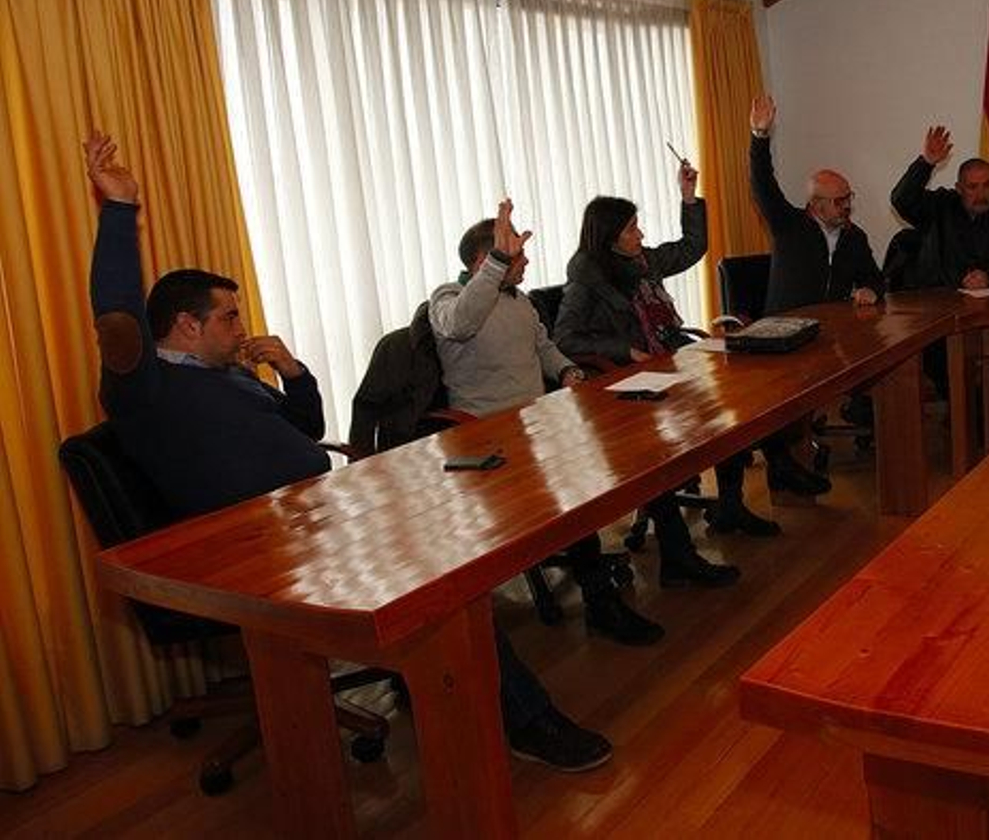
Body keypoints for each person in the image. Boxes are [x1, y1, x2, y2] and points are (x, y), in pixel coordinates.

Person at [83, 131, 610, 772]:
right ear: (187, 326)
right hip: (263, 542)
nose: (241, 327)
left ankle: (429, 673)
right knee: (435, 581)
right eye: (229, 317)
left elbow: (305, 429)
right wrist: (120, 210)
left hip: (320, 509)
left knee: (447, 536)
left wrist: (293, 371)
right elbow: (117, 320)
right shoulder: (147, 390)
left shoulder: (230, 376)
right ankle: (526, 719)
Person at [433, 202, 665, 646]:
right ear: (483, 261)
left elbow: (544, 347)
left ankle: (621, 582)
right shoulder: (445, 299)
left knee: (610, 467)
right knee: (573, 497)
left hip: (535, 425)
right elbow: (461, 324)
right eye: (515, 255)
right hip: (485, 438)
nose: (524, 261)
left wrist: (567, 371)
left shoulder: (518, 301)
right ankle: (600, 602)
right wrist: (499, 262)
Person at [555, 164, 776, 543]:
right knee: (695, 425)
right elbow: (564, 337)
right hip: (629, 381)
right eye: (631, 229)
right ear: (609, 238)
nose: (640, 234)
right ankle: (678, 541)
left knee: (730, 405)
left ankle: (731, 505)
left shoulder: (643, 262)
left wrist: (689, 198)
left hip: (668, 358)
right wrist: (626, 350)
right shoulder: (587, 280)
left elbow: (692, 248)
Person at [747, 94, 883, 497]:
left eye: (849, 198)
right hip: (783, 334)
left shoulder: (854, 237)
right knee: (782, 397)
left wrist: (871, 289)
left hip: (830, 334)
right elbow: (762, 183)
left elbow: (876, 278)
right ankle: (782, 464)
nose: (847, 207)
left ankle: (794, 459)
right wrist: (759, 137)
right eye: (840, 201)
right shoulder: (788, 225)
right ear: (816, 205)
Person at [890, 125, 989, 290]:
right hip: (938, 297)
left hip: (987, 299)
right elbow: (901, 200)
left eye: (987, 185)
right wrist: (926, 163)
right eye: (972, 187)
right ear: (959, 188)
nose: (981, 194)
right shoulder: (940, 205)